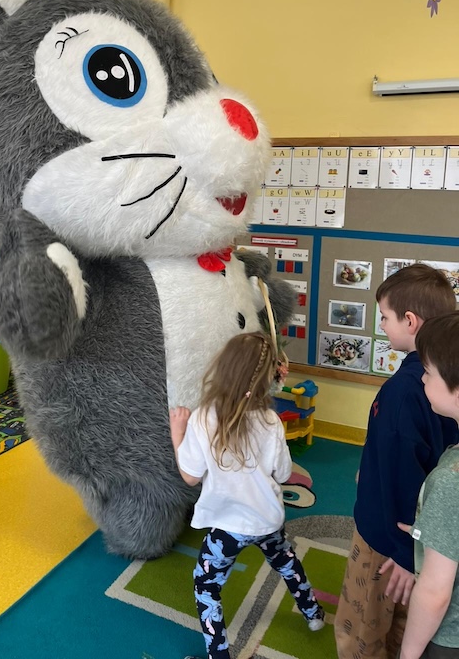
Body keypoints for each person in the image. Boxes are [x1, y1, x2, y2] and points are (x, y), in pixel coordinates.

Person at [169, 331, 325, 659]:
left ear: (223, 367)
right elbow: (283, 475)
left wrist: (177, 432)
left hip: (228, 528)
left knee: (206, 586)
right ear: (268, 379)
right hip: (267, 519)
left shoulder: (203, 418)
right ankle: (314, 615)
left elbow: (190, 476)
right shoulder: (270, 421)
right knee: (286, 561)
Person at [334, 263, 458, 659]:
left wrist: (405, 553)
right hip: (423, 545)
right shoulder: (441, 383)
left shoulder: (404, 392)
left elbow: (407, 477)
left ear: (410, 320)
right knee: (402, 623)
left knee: (362, 629)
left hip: (388, 542)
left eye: (385, 317)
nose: (383, 326)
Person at [390, 311, 459, 659]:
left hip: (448, 638)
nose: (421, 378)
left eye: (429, 372)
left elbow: (434, 592)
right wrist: (436, 527)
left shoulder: (451, 481)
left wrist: (409, 654)